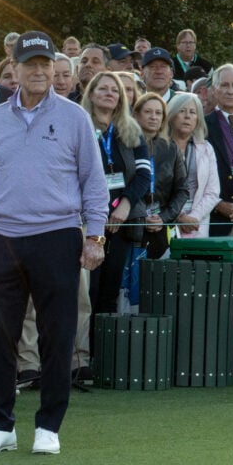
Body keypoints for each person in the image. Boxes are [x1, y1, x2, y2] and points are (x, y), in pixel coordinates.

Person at [0, 31, 108, 456]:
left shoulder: (74, 117)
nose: (39, 71)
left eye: (45, 64)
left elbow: (93, 182)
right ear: (13, 68)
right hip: (3, 236)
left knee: (57, 335)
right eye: (30, 64)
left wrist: (95, 235)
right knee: (0, 335)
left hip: (58, 235)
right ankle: (0, 426)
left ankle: (49, 425)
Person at [81, 72, 150, 315]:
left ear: (120, 98)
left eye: (114, 90)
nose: (109, 93)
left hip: (122, 222)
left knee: (110, 293)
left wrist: (125, 206)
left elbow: (144, 176)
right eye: (103, 89)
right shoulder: (80, 127)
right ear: (91, 93)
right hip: (88, 223)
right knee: (88, 293)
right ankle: (83, 351)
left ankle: (104, 352)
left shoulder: (132, 131)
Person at [132, 93, 188, 259]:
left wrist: (163, 218)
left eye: (158, 113)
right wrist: (141, 216)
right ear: (136, 115)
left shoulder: (171, 148)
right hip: (131, 225)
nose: (153, 117)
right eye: (148, 112)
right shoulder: (126, 144)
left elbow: (183, 189)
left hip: (161, 226)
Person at [166, 93, 220, 238]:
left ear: (198, 119)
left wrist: (193, 217)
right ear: (171, 115)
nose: (187, 116)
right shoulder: (160, 146)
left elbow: (213, 192)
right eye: (182, 111)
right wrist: (178, 216)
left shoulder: (206, 148)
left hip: (196, 224)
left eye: (192, 112)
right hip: (166, 222)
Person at [203, 63, 233, 236]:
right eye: (224, 85)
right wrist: (217, 204)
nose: (230, 91)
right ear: (214, 90)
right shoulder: (201, 126)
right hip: (214, 220)